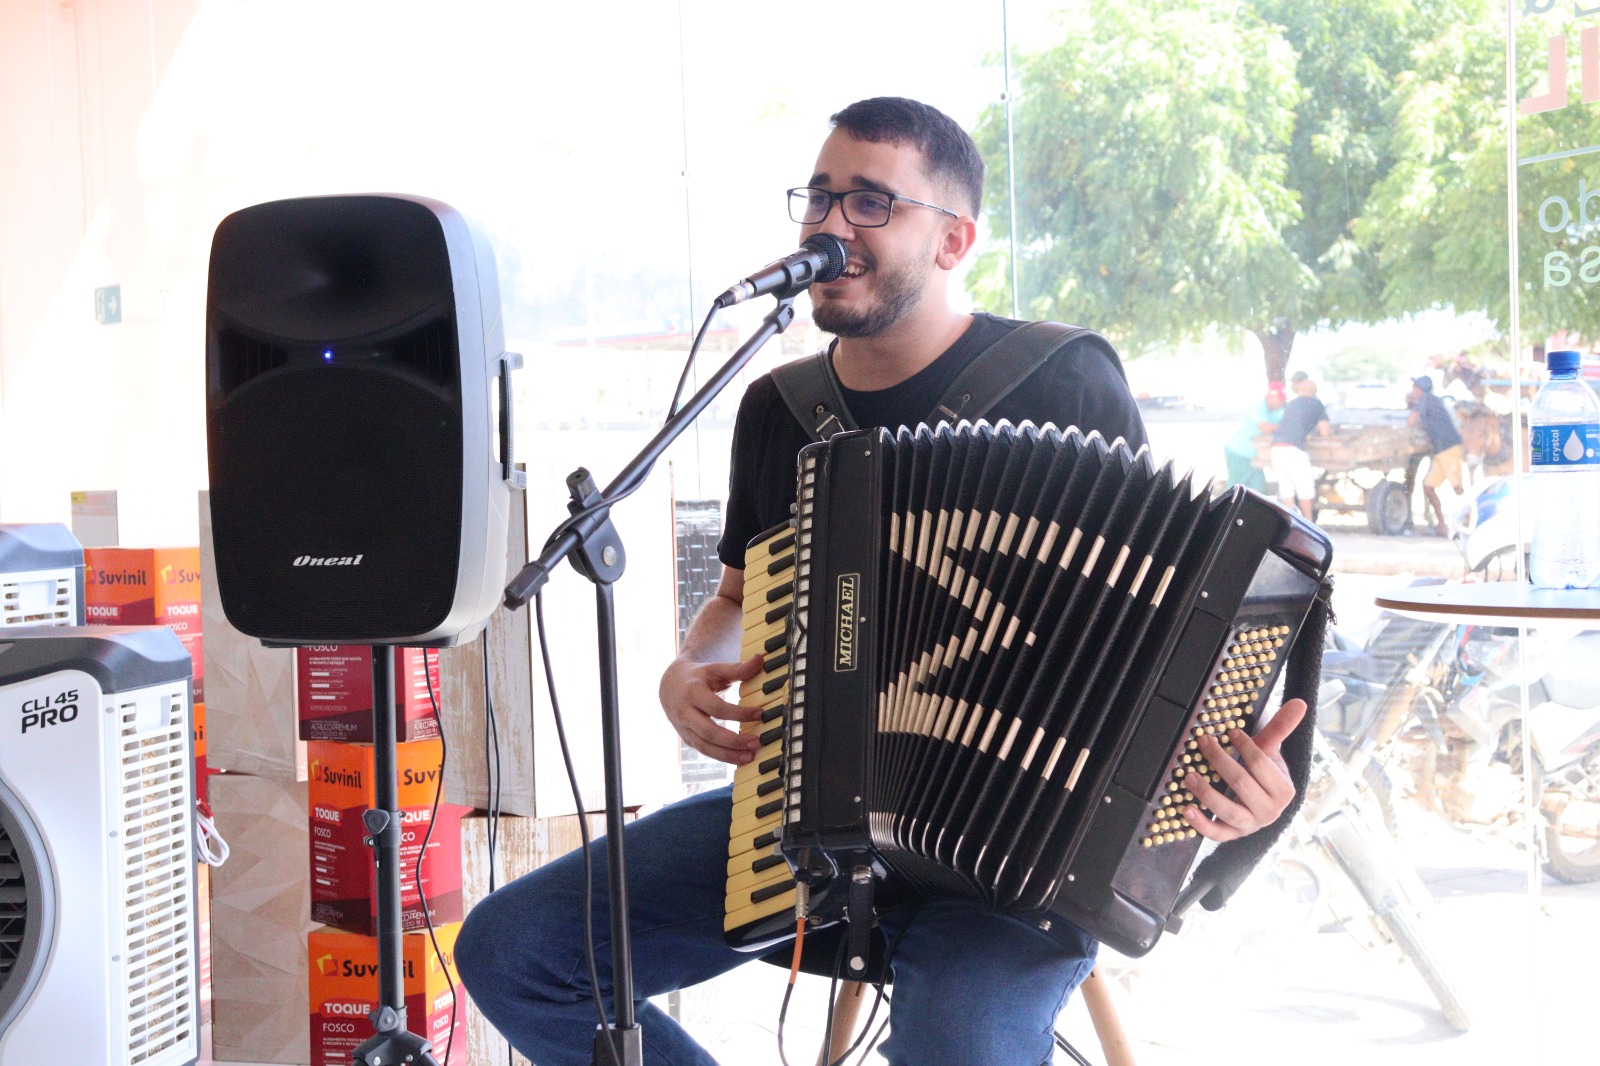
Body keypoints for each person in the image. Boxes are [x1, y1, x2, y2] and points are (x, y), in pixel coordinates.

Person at [456, 97, 1307, 1066]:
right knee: (514, 951)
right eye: (819, 198)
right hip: (804, 817)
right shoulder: (778, 408)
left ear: (953, 240)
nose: (830, 224)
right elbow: (735, 599)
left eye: (870, 202)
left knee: (958, 1042)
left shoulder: (1062, 378)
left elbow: (1163, 618)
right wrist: (689, 668)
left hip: (1024, 853)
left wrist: (1233, 779)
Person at [1407, 374, 1465, 535]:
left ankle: (1470, 520)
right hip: (1441, 450)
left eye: (1415, 387)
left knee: (1457, 488)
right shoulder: (1431, 400)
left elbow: (1411, 421)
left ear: (1419, 389)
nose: (1413, 390)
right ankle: (1441, 524)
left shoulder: (1425, 400)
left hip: (1449, 448)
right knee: (1428, 486)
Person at [1269, 373, 1331, 520]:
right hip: (1294, 451)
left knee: (1287, 490)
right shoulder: (1316, 404)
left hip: (1276, 449)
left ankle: (1291, 524)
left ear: (1300, 390)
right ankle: (1309, 525)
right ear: (1314, 392)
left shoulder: (1290, 404)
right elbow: (1325, 432)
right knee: (1305, 491)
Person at [1223, 382, 1286, 490]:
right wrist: (1285, 426)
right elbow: (1266, 428)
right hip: (1238, 453)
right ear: (1271, 397)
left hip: (1255, 457)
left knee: (1260, 489)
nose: (1282, 402)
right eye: (1280, 399)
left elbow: (1281, 424)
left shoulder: (1278, 410)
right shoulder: (1256, 407)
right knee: (1236, 489)